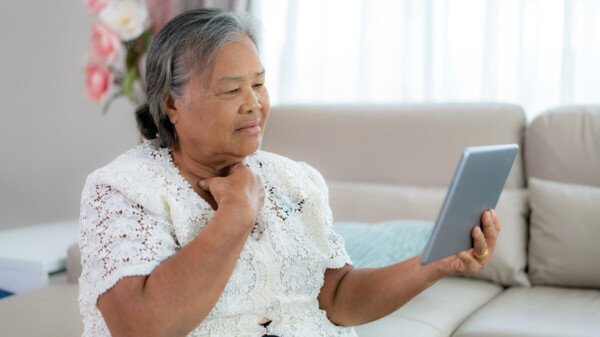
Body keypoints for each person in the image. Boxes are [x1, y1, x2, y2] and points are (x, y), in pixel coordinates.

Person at [78, 8, 501, 337]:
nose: (254, 104)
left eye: (259, 84)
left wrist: (436, 264)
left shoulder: (293, 180)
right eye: (231, 89)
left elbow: (338, 296)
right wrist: (236, 212)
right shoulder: (124, 188)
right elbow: (141, 327)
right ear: (172, 105)